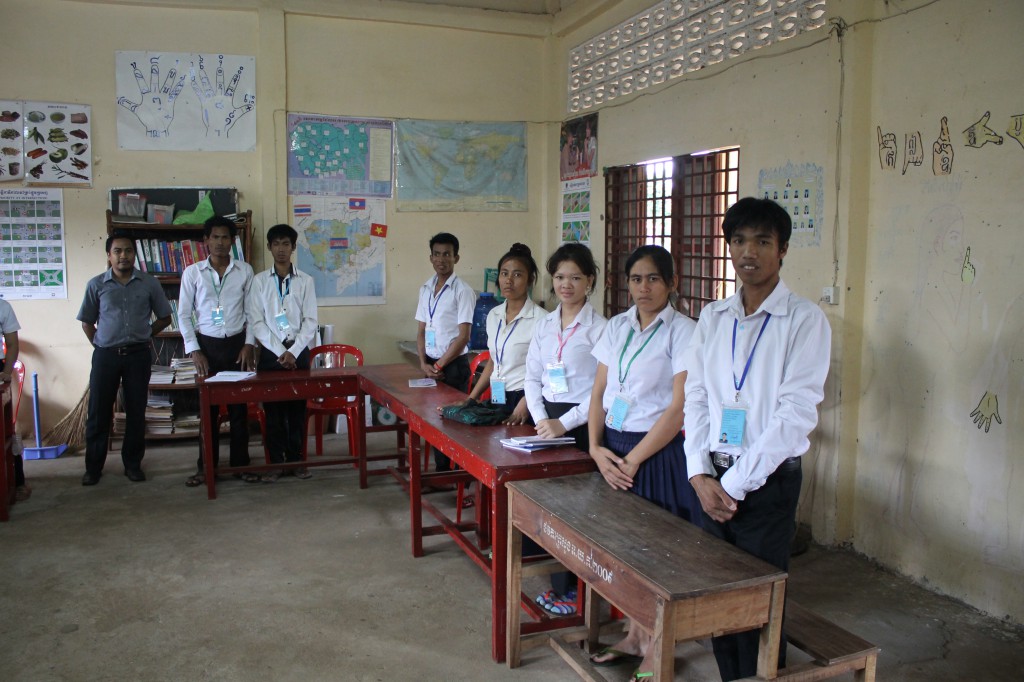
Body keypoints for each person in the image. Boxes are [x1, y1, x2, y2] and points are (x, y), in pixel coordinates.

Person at [684, 197, 831, 681]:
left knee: (761, 599)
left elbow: (794, 415)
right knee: (720, 598)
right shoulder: (714, 317)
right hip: (714, 476)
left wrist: (734, 485)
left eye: (763, 242)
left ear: (783, 250)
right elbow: (698, 396)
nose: (750, 252)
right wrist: (700, 472)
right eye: (739, 240)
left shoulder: (805, 320)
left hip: (766, 483)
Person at [586, 244, 700, 677]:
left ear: (672, 283)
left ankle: (658, 649)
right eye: (636, 279)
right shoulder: (616, 327)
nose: (643, 287)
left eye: (653, 278)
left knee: (657, 556)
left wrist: (631, 460)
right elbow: (598, 394)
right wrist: (596, 449)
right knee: (622, 551)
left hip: (654, 455)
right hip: (611, 450)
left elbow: (678, 409)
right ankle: (635, 635)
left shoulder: (684, 332)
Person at [524, 242, 606, 616]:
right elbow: (532, 376)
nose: (566, 284)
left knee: (577, 512)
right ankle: (558, 583)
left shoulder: (601, 329)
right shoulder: (544, 324)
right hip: (544, 421)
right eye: (559, 277)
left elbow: (601, 390)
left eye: (575, 277)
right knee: (546, 504)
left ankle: (575, 592)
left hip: (581, 421)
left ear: (590, 280)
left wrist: (564, 423)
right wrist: (542, 418)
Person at [77, 234, 173, 486]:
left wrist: (145, 334)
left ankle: (132, 464)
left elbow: (165, 317)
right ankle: (93, 468)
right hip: (105, 356)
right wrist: (100, 343)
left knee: (136, 411)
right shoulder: (96, 285)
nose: (123, 256)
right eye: (117, 251)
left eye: (128, 251)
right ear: (109, 255)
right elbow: (87, 322)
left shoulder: (149, 283)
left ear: (134, 255)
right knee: (98, 412)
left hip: (138, 355)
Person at [178, 215, 257, 487]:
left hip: (237, 346)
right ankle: (205, 468)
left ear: (233, 241)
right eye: (215, 237)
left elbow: (252, 312)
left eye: (225, 237)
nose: (220, 243)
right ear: (206, 241)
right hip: (207, 347)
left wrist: (249, 343)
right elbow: (184, 315)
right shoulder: (193, 273)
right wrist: (195, 350)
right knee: (207, 413)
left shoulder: (245, 271)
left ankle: (240, 465)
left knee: (238, 411)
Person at [247, 223, 319, 483]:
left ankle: (297, 462)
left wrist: (294, 351)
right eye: (276, 243)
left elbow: (311, 321)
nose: (281, 249)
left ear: (293, 247)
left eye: (286, 244)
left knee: (297, 410)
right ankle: (275, 463)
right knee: (274, 412)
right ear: (269, 247)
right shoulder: (259, 282)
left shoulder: (306, 281)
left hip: (299, 354)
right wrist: (280, 352)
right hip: (270, 354)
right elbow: (256, 322)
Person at [451, 243, 540, 425]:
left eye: (517, 274)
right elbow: (493, 361)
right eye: (504, 273)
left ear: (530, 280)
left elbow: (545, 371)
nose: (509, 280)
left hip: (524, 400)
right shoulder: (494, 314)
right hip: (498, 396)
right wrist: (471, 399)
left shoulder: (542, 320)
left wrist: (527, 403)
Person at [415, 232, 475, 476]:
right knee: (433, 421)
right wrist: (423, 363)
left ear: (456, 257)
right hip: (431, 365)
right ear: (430, 258)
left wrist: (439, 366)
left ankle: (455, 475)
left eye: (447, 254)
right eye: (437, 254)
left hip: (452, 366)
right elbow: (420, 330)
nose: (442, 259)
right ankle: (441, 472)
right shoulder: (426, 288)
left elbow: (463, 337)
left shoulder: (463, 291)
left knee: (452, 424)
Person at [0, 298, 28, 501]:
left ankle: (18, 482)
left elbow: (12, 343)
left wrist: (7, 372)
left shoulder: (3, 306)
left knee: (6, 430)